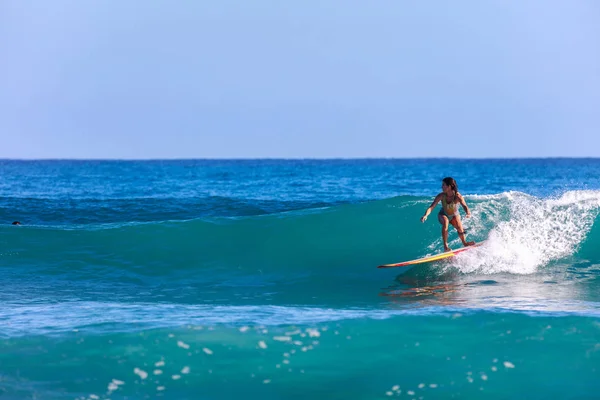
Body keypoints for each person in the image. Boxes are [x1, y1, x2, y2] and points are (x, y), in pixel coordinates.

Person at [420, 177, 475, 252]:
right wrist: (426, 215)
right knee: (446, 222)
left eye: (443, 185)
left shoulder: (457, 196)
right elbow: (432, 206)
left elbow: (465, 206)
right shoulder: (441, 196)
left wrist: (468, 213)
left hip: (454, 215)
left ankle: (465, 243)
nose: (441, 187)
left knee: (460, 228)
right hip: (443, 214)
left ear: (449, 186)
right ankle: (446, 247)